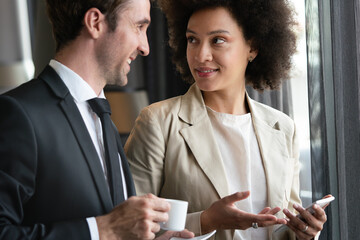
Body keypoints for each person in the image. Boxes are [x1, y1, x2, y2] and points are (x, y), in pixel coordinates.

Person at [124, 0, 329, 239]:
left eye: (217, 40)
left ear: (252, 47)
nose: (201, 55)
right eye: (192, 39)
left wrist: (305, 231)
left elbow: (284, 226)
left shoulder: (282, 127)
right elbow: (128, 225)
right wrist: (205, 220)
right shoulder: (157, 123)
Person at [0, 0, 195, 239]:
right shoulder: (18, 113)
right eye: (139, 26)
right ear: (95, 22)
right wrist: (105, 229)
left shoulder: (103, 120)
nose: (145, 47)